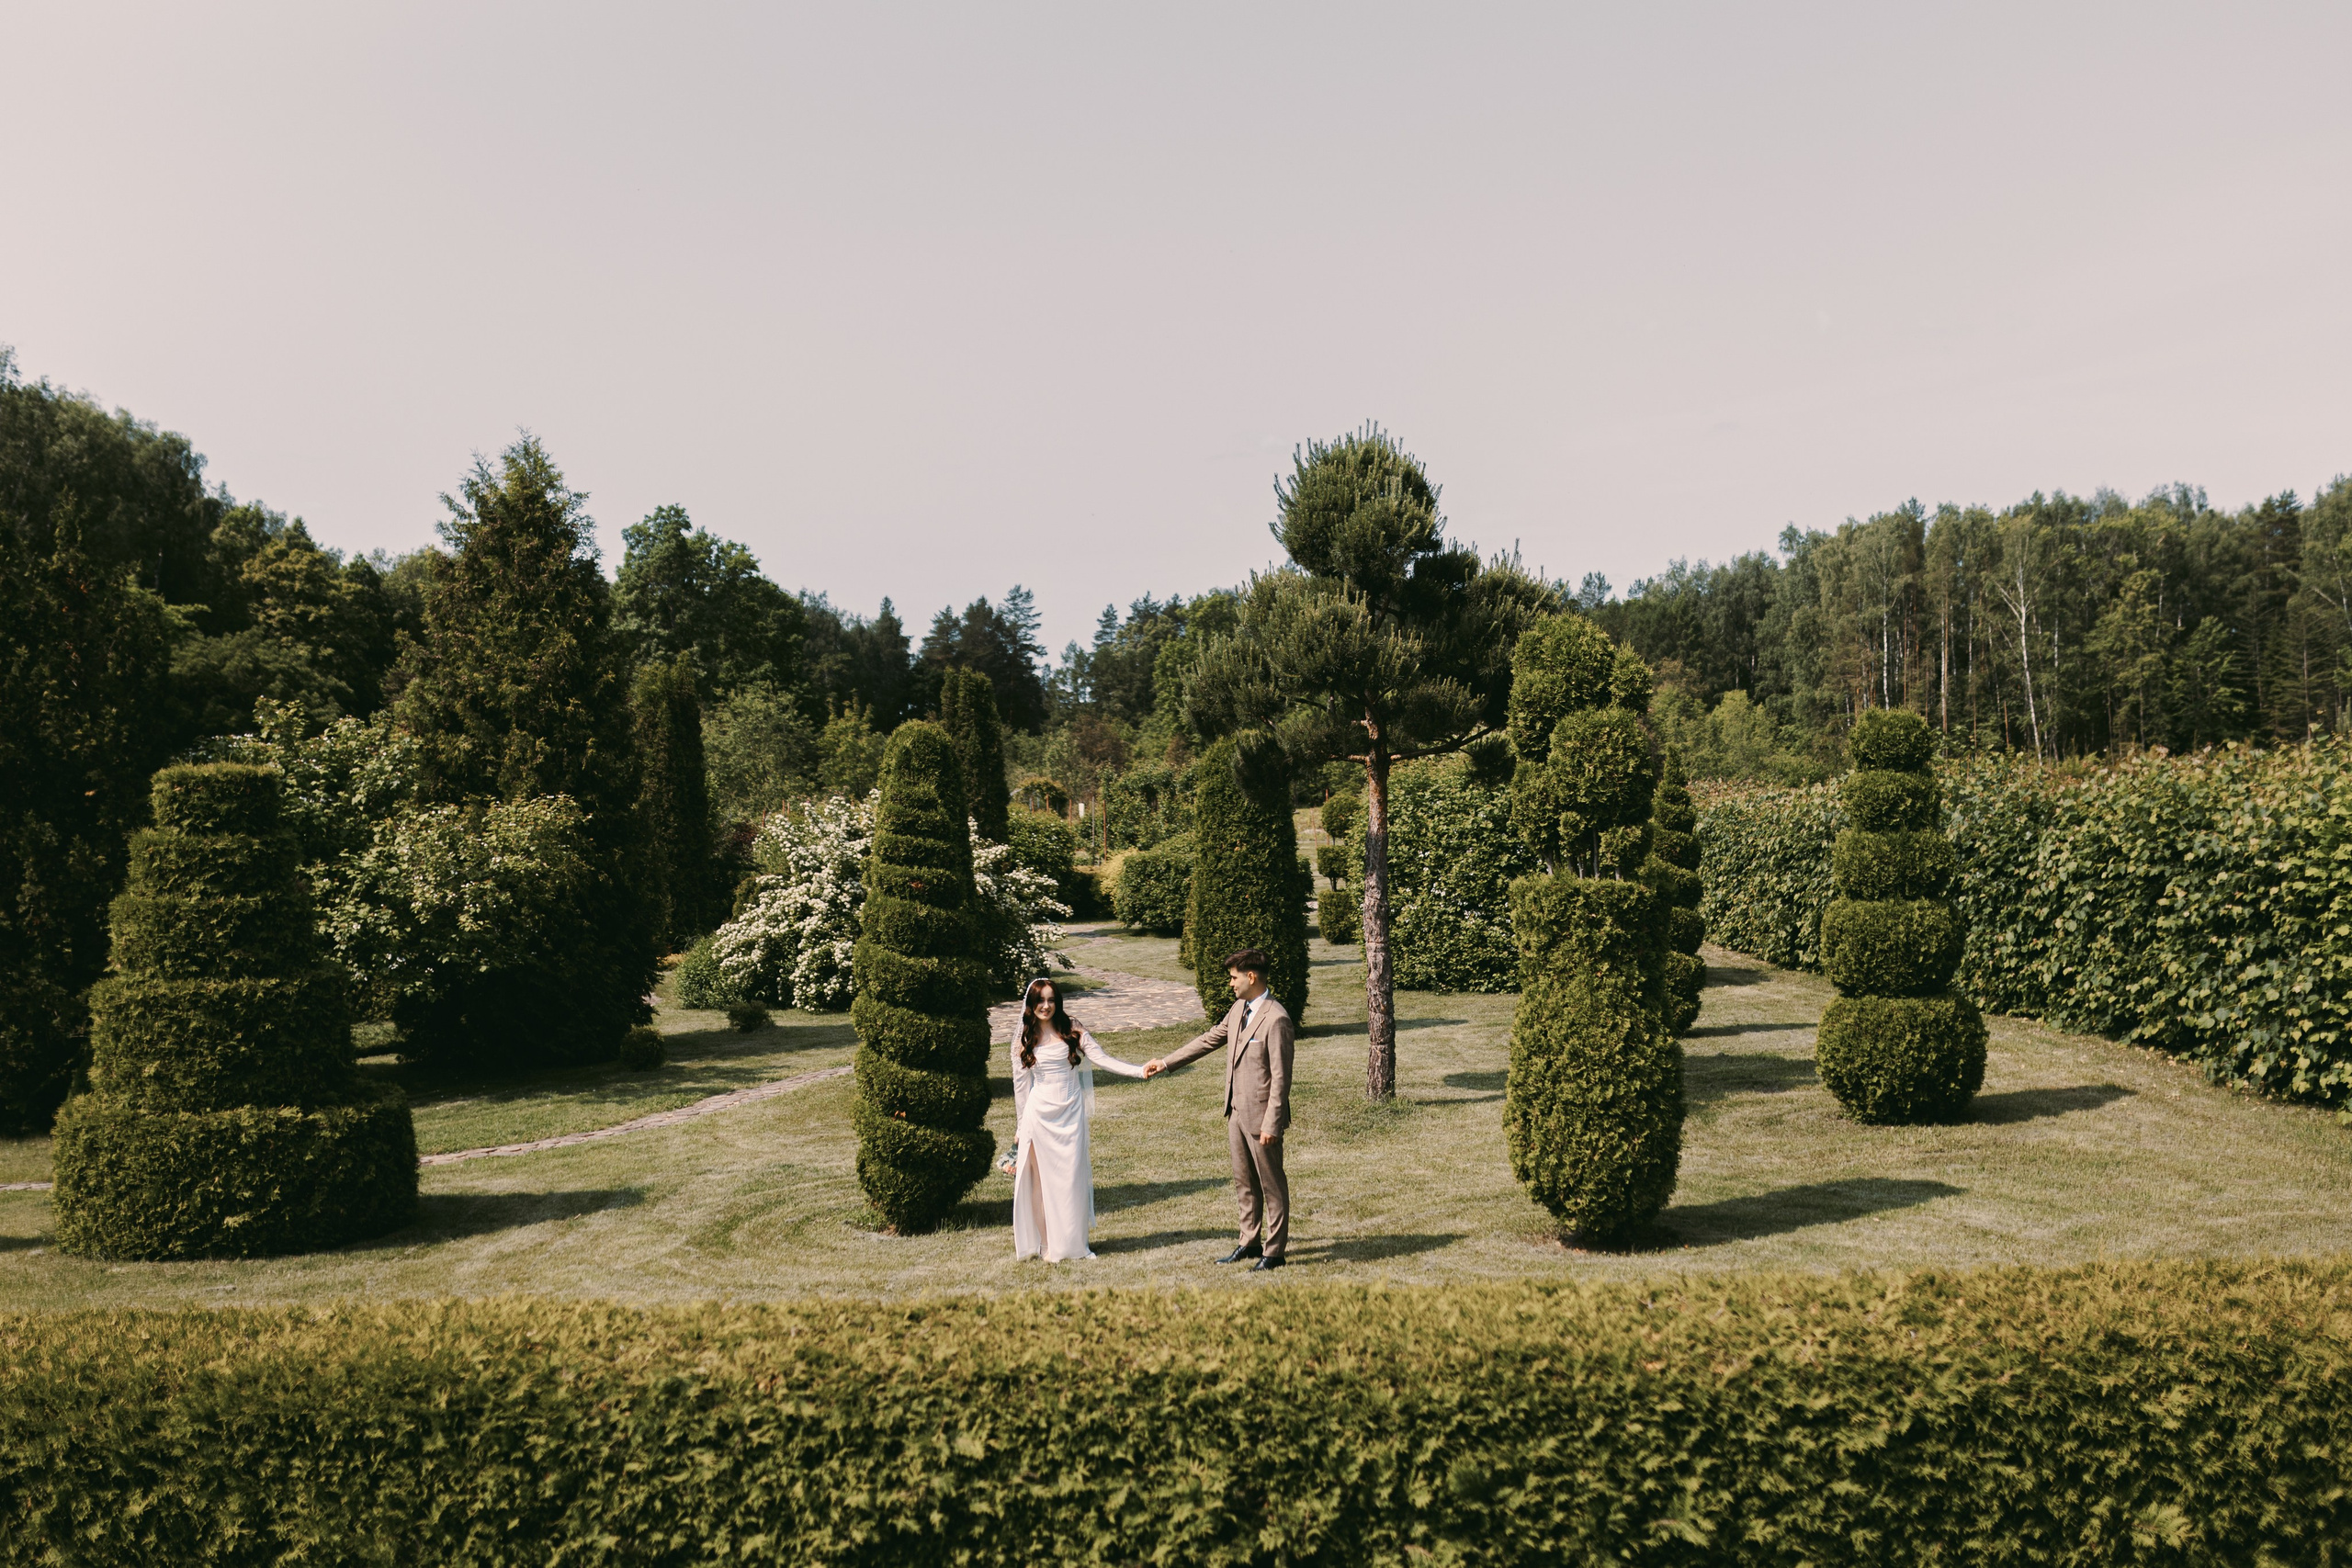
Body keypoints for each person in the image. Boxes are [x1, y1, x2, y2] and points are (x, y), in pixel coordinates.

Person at [1144, 948, 1295, 1272]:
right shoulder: (1240, 1007)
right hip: (1236, 1111)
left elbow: (1282, 1078)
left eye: (1233, 977)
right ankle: (1249, 1242)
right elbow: (1211, 1038)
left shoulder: (1277, 1018)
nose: (1231, 984)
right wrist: (1167, 1062)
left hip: (1262, 1116)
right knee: (1244, 1182)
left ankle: (1275, 1251)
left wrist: (1273, 1122)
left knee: (1271, 1185)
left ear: (1250, 977)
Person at [1007, 976, 1149, 1262]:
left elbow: (1101, 1058)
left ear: (1057, 1002)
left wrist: (1138, 1070)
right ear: (1031, 1004)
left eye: (1051, 1000)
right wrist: (1021, 1128)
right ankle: (1047, 1246)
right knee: (1040, 1183)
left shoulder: (1072, 1028)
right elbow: (1021, 1088)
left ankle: (1074, 1245)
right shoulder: (1024, 1039)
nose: (1045, 1006)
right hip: (1039, 1117)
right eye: (1040, 1000)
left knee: (1071, 1179)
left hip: (1071, 1113)